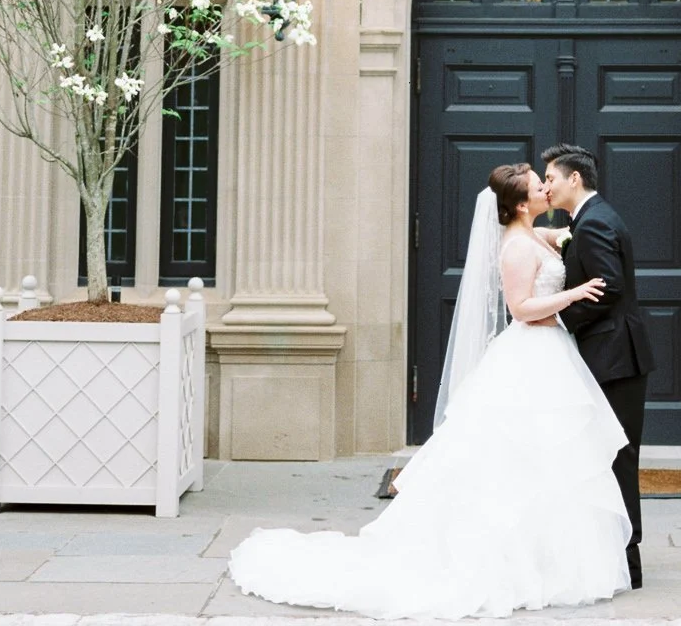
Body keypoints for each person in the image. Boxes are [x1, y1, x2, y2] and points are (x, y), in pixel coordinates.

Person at [228, 164, 631, 618]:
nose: (547, 188)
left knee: (550, 459)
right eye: (540, 185)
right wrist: (573, 296)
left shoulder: (538, 234)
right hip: (531, 351)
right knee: (517, 457)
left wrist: (571, 234)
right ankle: (506, 560)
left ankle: (551, 556)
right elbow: (520, 309)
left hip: (552, 356)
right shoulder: (517, 247)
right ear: (521, 204)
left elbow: (562, 239)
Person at [541, 143, 655, 590]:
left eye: (551, 177)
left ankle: (629, 558)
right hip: (607, 355)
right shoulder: (586, 220)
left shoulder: (595, 222)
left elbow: (608, 286)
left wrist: (561, 320)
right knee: (603, 456)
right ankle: (608, 552)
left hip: (616, 357)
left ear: (574, 179)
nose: (547, 185)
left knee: (618, 457)